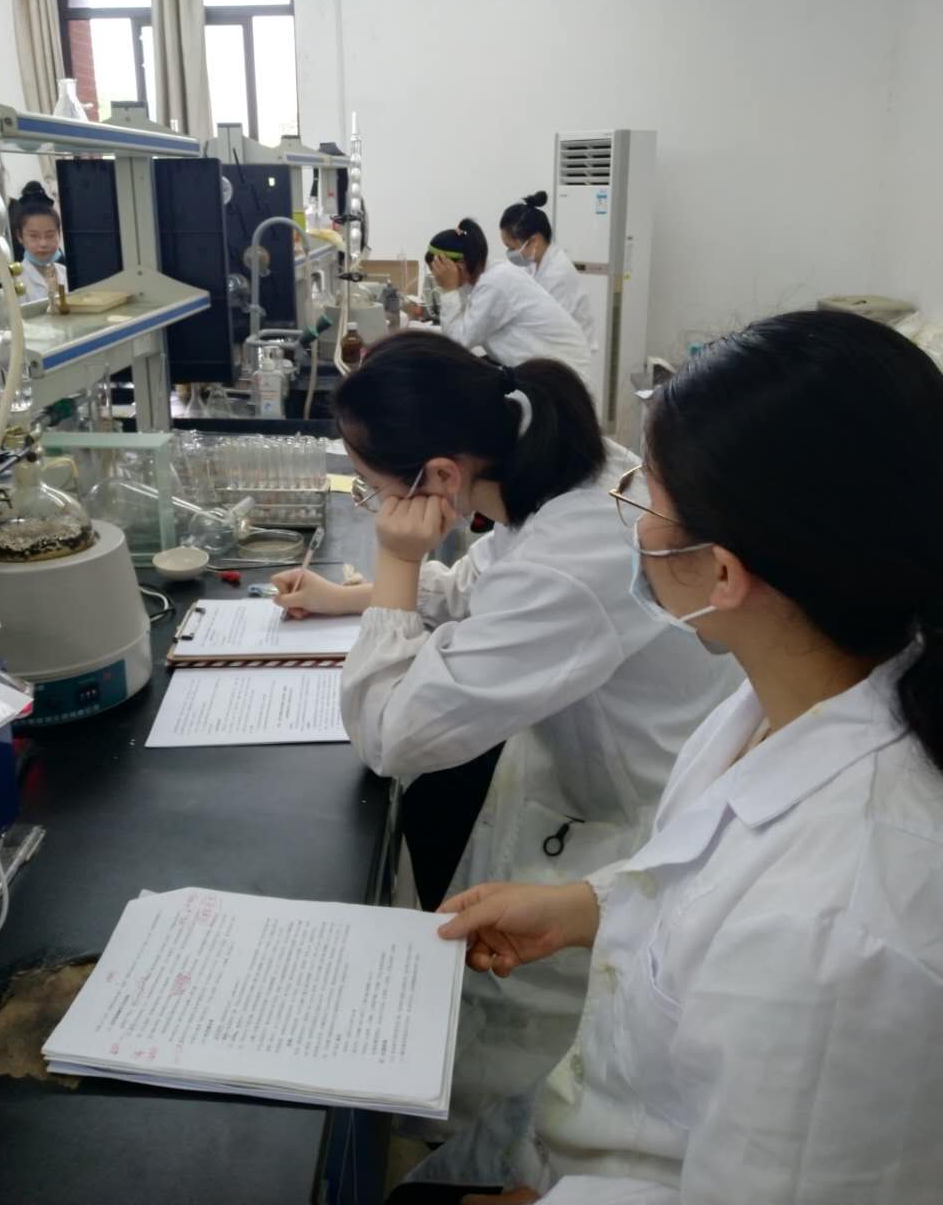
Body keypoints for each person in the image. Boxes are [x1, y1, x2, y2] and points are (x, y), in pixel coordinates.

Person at [403, 309, 943, 1204]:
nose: (631, 520)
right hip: (580, 1134)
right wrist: (588, 905)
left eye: (646, 495)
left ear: (724, 573)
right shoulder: (794, 693)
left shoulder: (840, 933)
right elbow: (719, 871)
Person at [272, 332, 739, 1132]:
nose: (376, 508)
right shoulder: (560, 469)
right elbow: (478, 584)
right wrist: (349, 596)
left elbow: (391, 737)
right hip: (577, 793)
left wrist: (394, 561)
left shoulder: (575, 555)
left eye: (373, 493)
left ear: (439, 478)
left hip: (630, 827)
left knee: (518, 1081)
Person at [428, 219, 593, 382]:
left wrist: (448, 290)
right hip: (548, 369)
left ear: (460, 265)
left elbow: (458, 342)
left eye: (439, 274)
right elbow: (463, 322)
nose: (438, 279)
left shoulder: (494, 283)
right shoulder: (486, 276)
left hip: (563, 378)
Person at [500, 192, 597, 357]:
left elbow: (545, 328)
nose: (510, 253)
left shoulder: (557, 274)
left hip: (568, 357)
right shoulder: (533, 264)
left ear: (534, 241)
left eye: (512, 248)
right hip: (548, 350)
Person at [13, 181, 67, 303]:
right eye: (34, 236)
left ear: (59, 234)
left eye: (50, 235)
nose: (43, 243)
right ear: (20, 236)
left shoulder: (66, 273)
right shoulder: (16, 282)